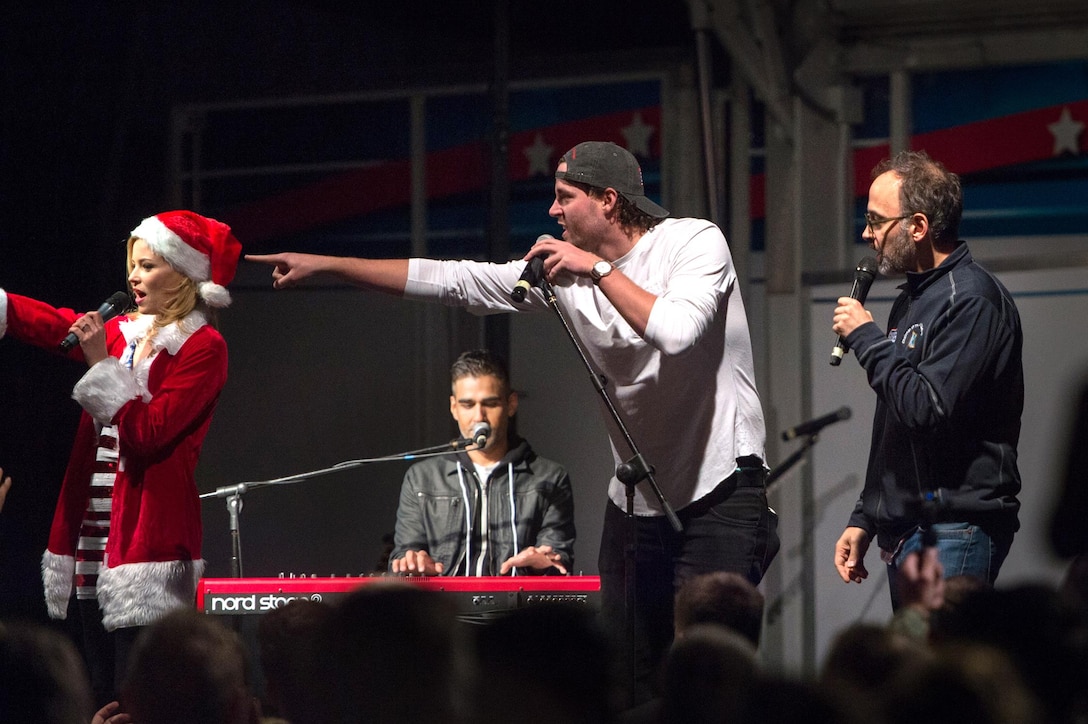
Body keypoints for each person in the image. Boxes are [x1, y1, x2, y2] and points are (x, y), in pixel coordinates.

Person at [248, 140, 779, 704]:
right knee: (628, 679)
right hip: (636, 502)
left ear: (608, 201)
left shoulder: (692, 241)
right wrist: (328, 264)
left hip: (721, 489)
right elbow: (452, 280)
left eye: (564, 197)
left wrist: (596, 269)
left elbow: (675, 331)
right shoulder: (561, 274)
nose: (551, 211)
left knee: (712, 678)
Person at [0, 210, 242, 707]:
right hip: (93, 536)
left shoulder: (203, 347)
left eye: (148, 265)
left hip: (145, 544)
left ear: (182, 272)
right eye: (133, 265)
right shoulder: (122, 331)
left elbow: (148, 434)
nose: (133, 276)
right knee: (95, 692)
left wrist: (101, 367)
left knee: (138, 698)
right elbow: (54, 323)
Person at [831, 150, 1022, 609]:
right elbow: (894, 421)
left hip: (954, 529)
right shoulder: (910, 300)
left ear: (917, 226)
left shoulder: (971, 300)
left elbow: (926, 409)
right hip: (911, 528)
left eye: (877, 221)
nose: (867, 234)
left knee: (941, 672)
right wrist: (866, 515)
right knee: (918, 672)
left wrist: (866, 337)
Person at [390, 349, 575, 576]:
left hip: (519, 609)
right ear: (453, 408)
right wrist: (412, 563)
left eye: (490, 403)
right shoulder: (421, 478)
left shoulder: (550, 477)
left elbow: (559, 556)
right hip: (446, 610)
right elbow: (404, 554)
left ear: (511, 404)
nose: (479, 416)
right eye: (468, 405)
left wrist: (542, 561)